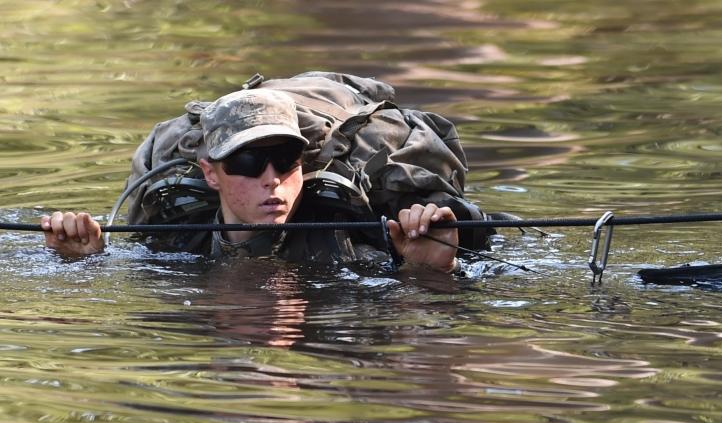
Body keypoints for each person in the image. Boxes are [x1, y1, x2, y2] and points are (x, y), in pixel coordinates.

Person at [40, 88, 461, 274]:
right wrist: (84, 262)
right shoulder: (172, 241)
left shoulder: (350, 243)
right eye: (247, 162)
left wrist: (427, 270)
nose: (271, 179)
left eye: (285, 160)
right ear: (211, 174)